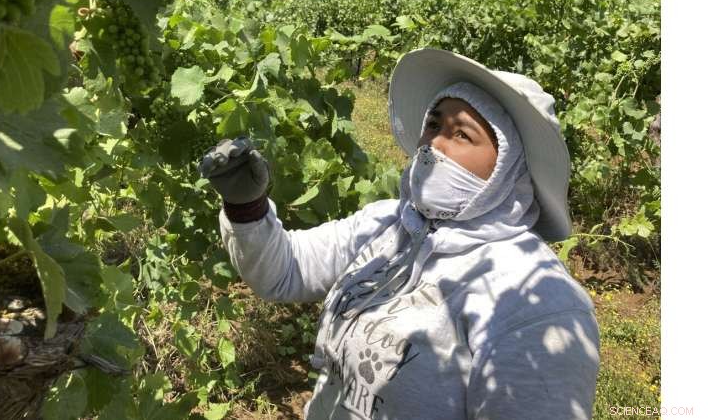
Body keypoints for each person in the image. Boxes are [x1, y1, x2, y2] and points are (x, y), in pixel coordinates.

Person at [199, 48, 600, 420]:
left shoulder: (538, 305)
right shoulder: (388, 224)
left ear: (510, 167)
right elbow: (287, 271)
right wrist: (247, 207)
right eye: (433, 124)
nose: (433, 146)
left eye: (462, 134)